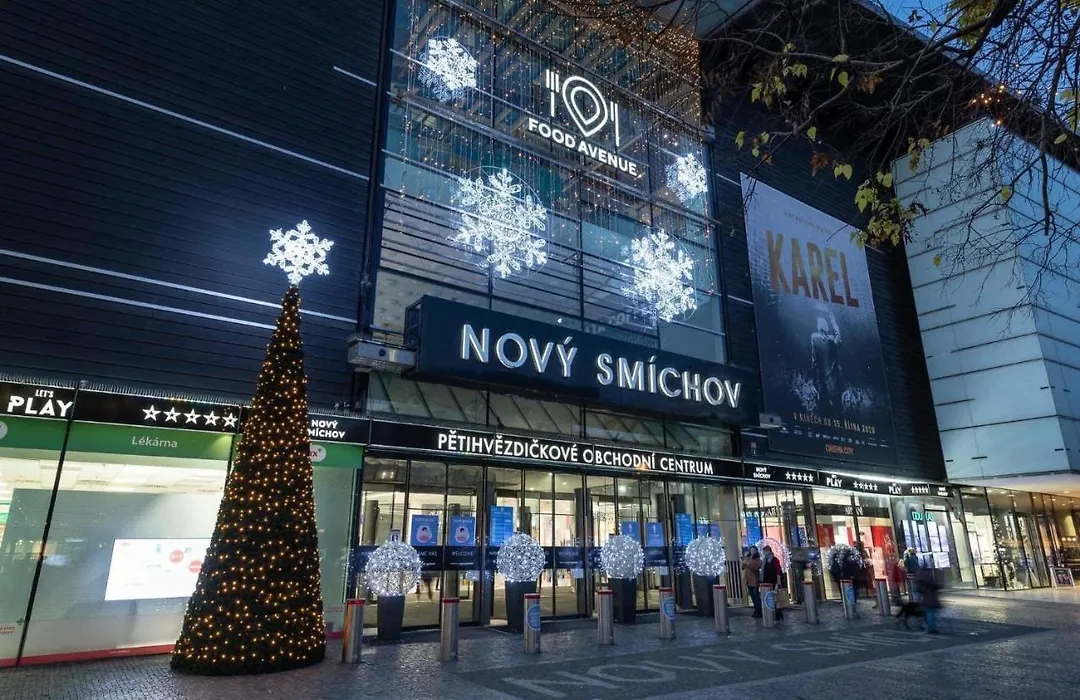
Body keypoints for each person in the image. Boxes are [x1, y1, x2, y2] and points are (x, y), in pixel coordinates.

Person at [915, 566, 943, 633]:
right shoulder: (929, 579)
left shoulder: (919, 580)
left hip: (925, 599)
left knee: (928, 613)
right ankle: (931, 628)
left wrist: (918, 600)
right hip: (931, 598)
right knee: (931, 613)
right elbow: (937, 586)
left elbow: (919, 591)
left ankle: (929, 627)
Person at [760, 545, 784, 620]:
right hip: (766, 582)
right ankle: (771, 613)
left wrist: (778, 582)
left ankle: (778, 613)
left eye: (765, 551)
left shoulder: (774, 560)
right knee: (769, 599)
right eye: (764, 551)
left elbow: (778, 571)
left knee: (775, 598)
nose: (764, 553)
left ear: (769, 551)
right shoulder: (764, 560)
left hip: (773, 581)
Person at [742, 546, 761, 617]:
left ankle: (759, 611)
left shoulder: (757, 559)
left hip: (754, 580)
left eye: (754, 550)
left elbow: (756, 568)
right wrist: (744, 562)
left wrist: (748, 564)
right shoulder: (747, 557)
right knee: (752, 596)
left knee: (756, 596)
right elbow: (742, 567)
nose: (752, 551)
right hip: (748, 580)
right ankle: (756, 610)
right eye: (751, 550)